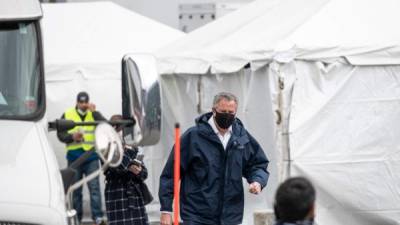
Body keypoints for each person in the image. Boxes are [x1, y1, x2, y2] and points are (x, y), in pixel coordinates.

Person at [159, 92, 270, 225]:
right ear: (214, 111)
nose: (227, 115)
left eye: (231, 112)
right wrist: (166, 210)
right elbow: (171, 174)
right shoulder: (192, 137)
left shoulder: (241, 137)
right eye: (223, 111)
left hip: (230, 216)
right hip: (197, 215)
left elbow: (258, 164)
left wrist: (257, 181)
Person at [57, 91, 106, 225]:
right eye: (81, 102)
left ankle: (98, 218)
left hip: (91, 157)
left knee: (94, 188)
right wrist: (72, 137)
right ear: (77, 102)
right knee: (75, 190)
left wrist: (95, 112)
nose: (84, 105)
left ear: (88, 102)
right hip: (74, 158)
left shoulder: (93, 113)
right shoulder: (67, 114)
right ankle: (76, 219)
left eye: (86, 102)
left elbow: (105, 125)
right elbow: (60, 135)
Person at [104, 114, 150, 225]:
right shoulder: (105, 145)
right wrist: (129, 165)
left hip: (134, 194)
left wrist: (139, 171)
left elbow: (144, 173)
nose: (121, 131)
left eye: (122, 128)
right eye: (118, 128)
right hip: (116, 194)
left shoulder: (132, 145)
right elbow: (118, 166)